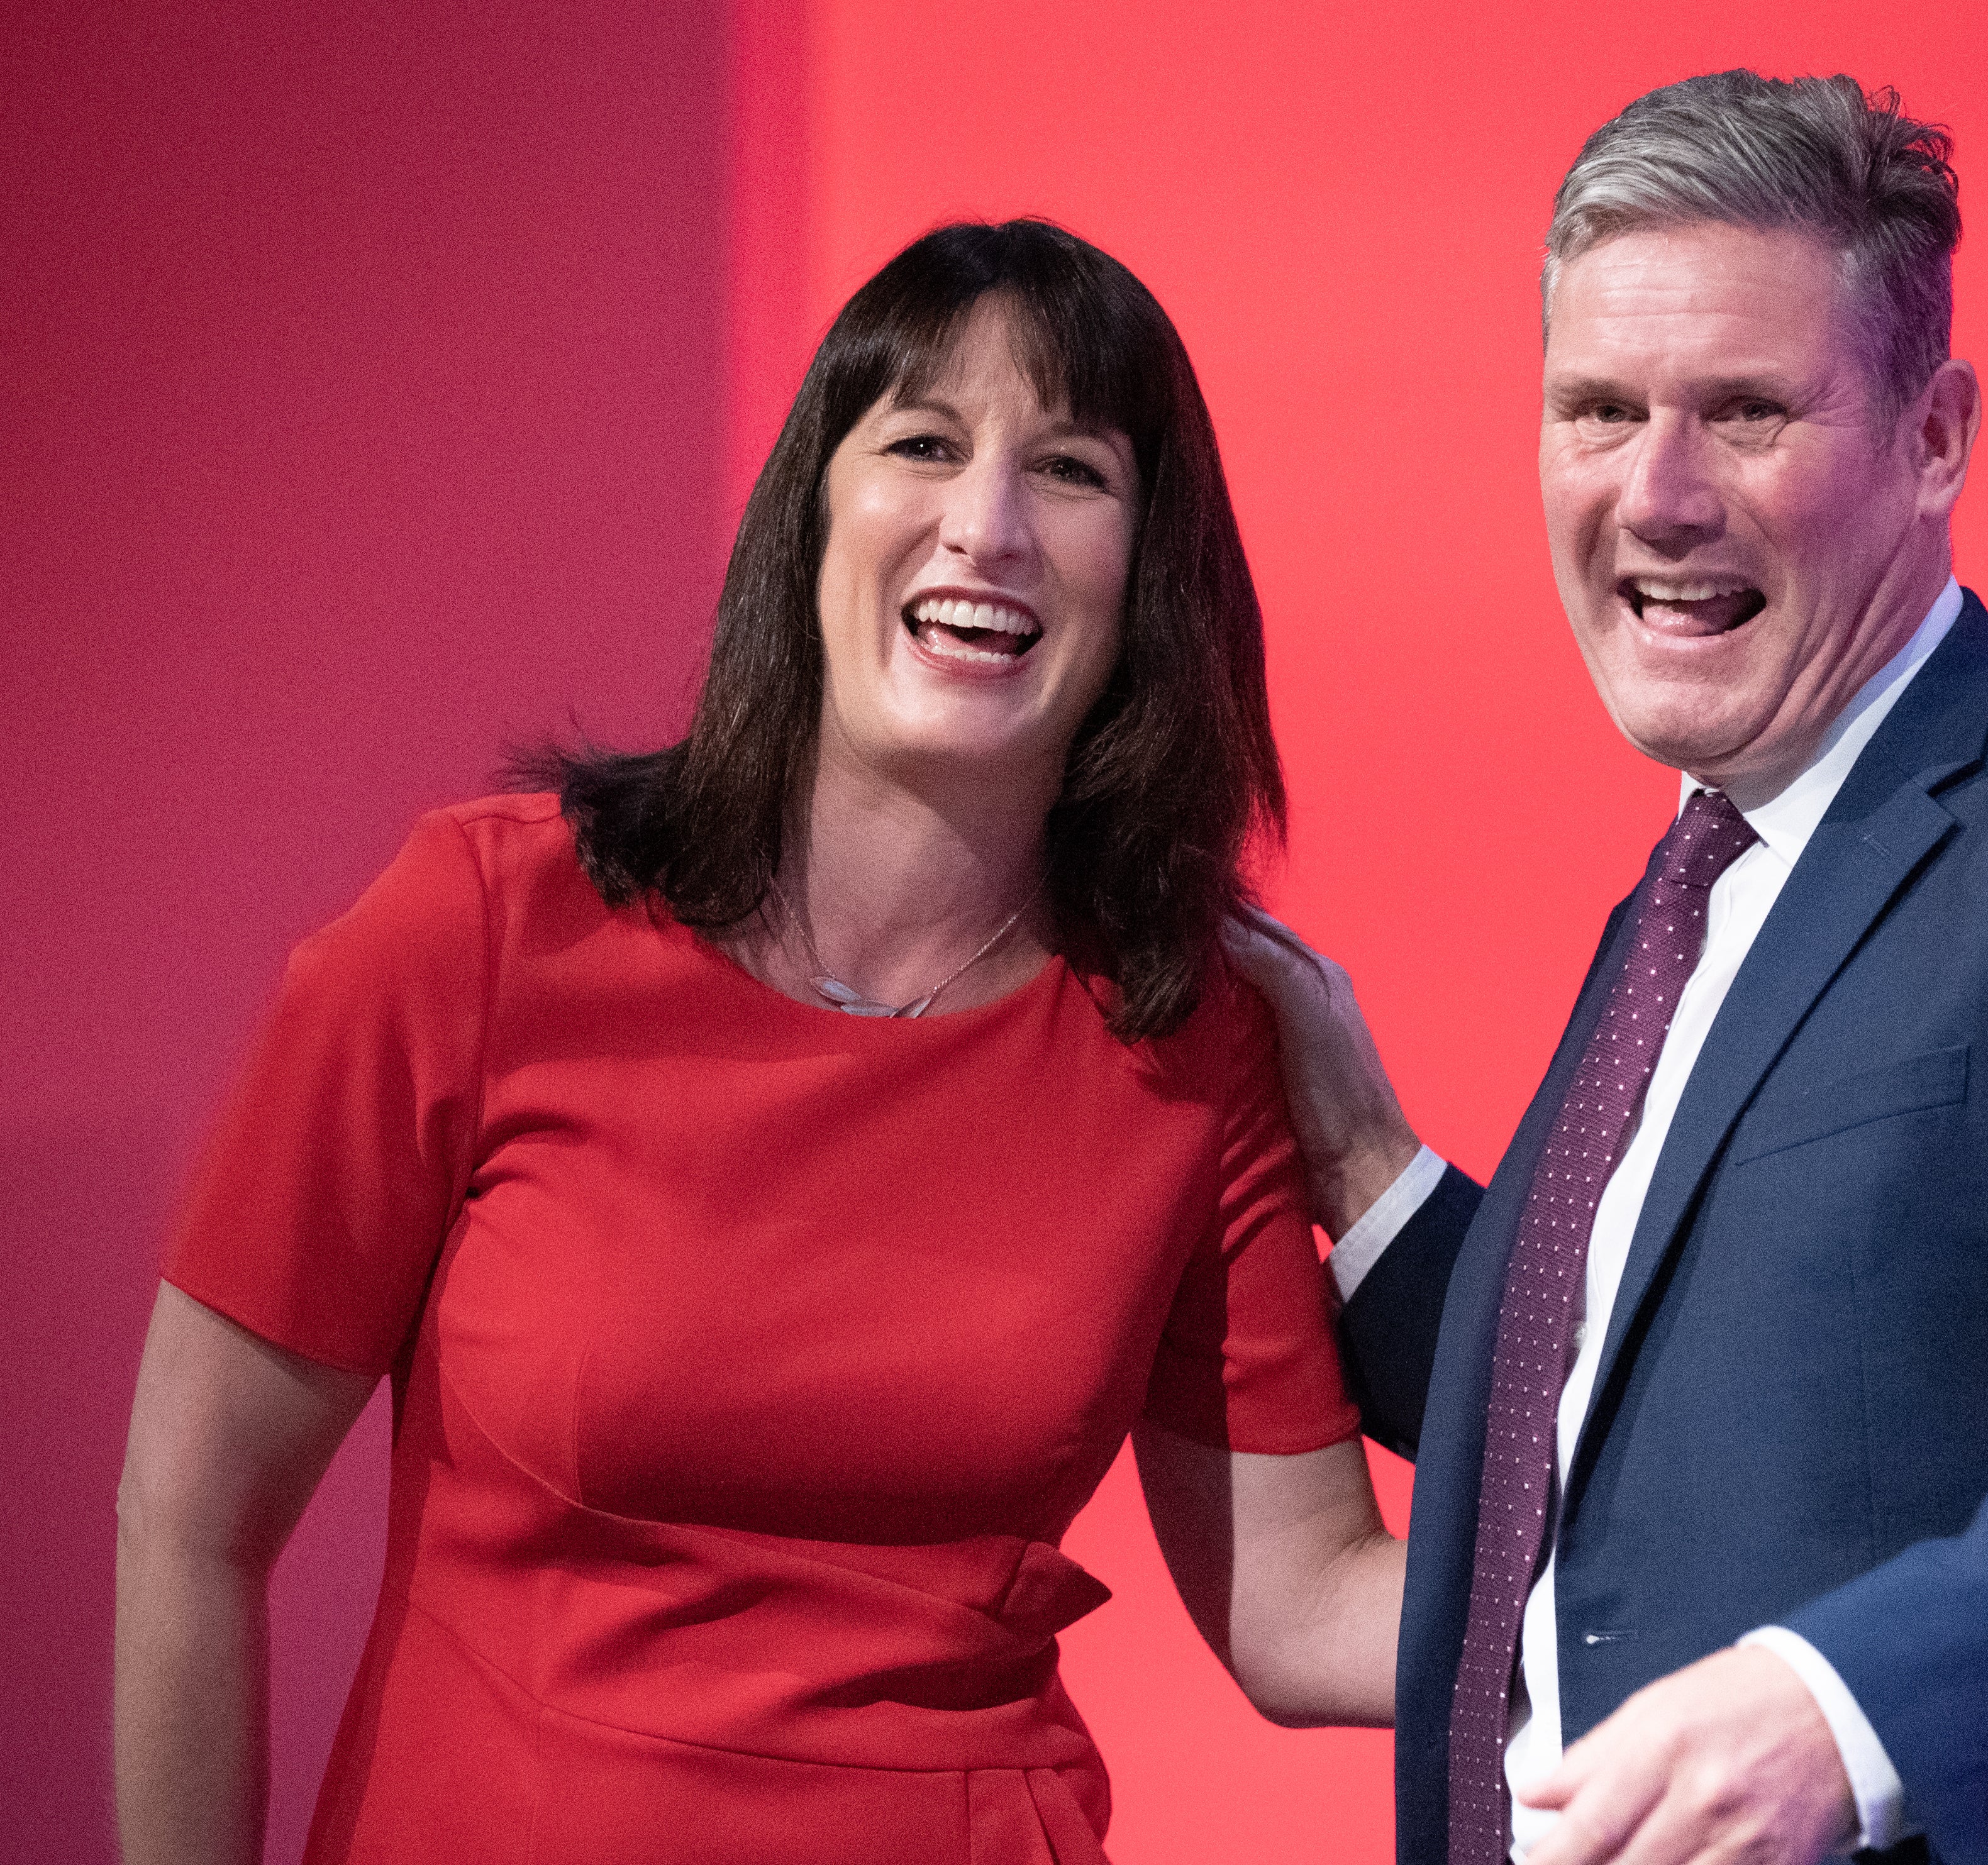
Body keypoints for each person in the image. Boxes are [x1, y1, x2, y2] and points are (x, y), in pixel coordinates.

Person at [114, 219, 1402, 1865]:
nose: (986, 525)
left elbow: (1305, 1614)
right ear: (814, 510)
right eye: (923, 444)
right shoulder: (488, 927)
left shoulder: (1187, 1034)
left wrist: (1774, 1622)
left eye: (1070, 469)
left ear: (1147, 571)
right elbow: (188, 1517)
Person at [1230, 71, 1988, 1865]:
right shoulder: (1691, 899)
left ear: (1935, 437)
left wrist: (1851, 1711)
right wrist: (1362, 1162)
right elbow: (1683, 1397)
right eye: (1599, 410)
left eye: (1747, 412)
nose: (1659, 491)